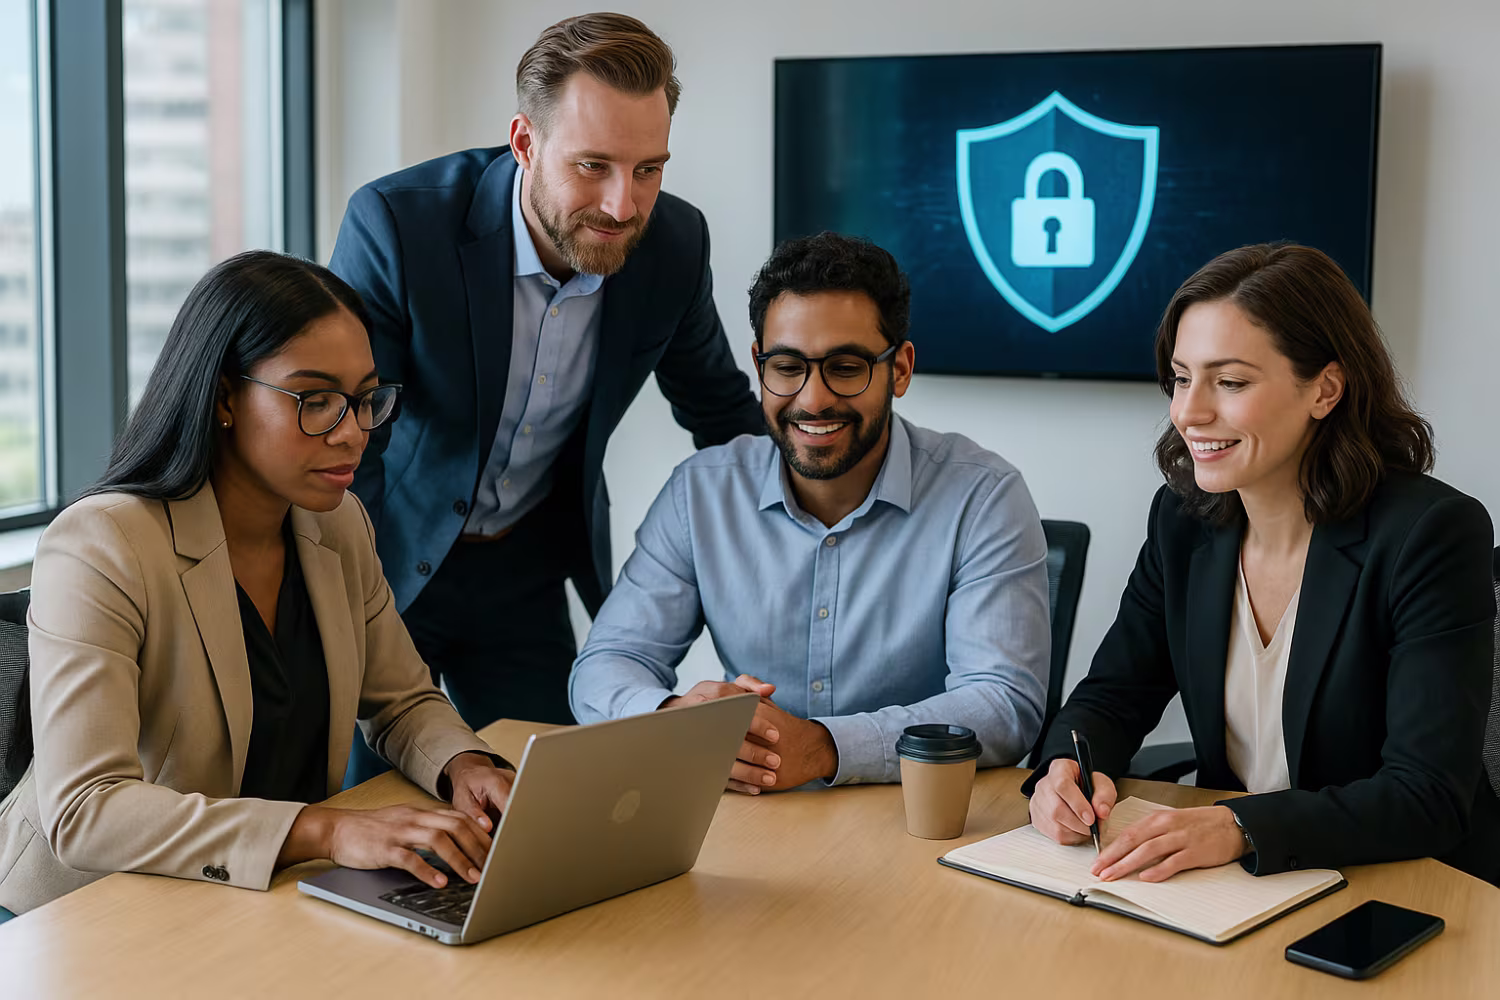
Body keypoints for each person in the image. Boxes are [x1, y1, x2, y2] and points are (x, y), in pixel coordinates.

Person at [0, 251, 518, 917]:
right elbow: (86, 808)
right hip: (85, 915)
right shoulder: (103, 544)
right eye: (317, 400)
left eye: (364, 400)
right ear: (223, 397)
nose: (353, 431)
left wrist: (466, 767)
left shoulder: (336, 526)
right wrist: (323, 830)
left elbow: (401, 700)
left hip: (254, 897)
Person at [328, 12, 762, 784]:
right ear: (525, 143)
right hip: (389, 563)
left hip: (529, 566)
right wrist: (345, 599)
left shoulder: (674, 245)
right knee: (373, 805)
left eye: (648, 169)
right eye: (592, 166)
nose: (623, 206)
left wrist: (816, 532)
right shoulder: (400, 223)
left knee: (552, 803)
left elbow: (721, 414)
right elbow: (351, 435)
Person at [1026, 243, 1499, 886]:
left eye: (1231, 382)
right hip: (1237, 885)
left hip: (1401, 883)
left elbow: (1428, 794)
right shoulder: (1182, 519)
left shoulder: (1430, 534)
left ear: (1325, 390)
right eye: (1182, 377)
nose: (1189, 412)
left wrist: (1238, 826)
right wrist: (1064, 770)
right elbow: (1113, 696)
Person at [568, 232, 1050, 791]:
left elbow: (1004, 705)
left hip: (912, 825)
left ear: (900, 368)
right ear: (758, 365)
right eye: (788, 365)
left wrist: (825, 747)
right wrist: (671, 718)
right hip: (750, 822)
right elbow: (605, 666)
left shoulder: (983, 496)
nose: (813, 398)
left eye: (845, 367)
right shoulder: (699, 493)